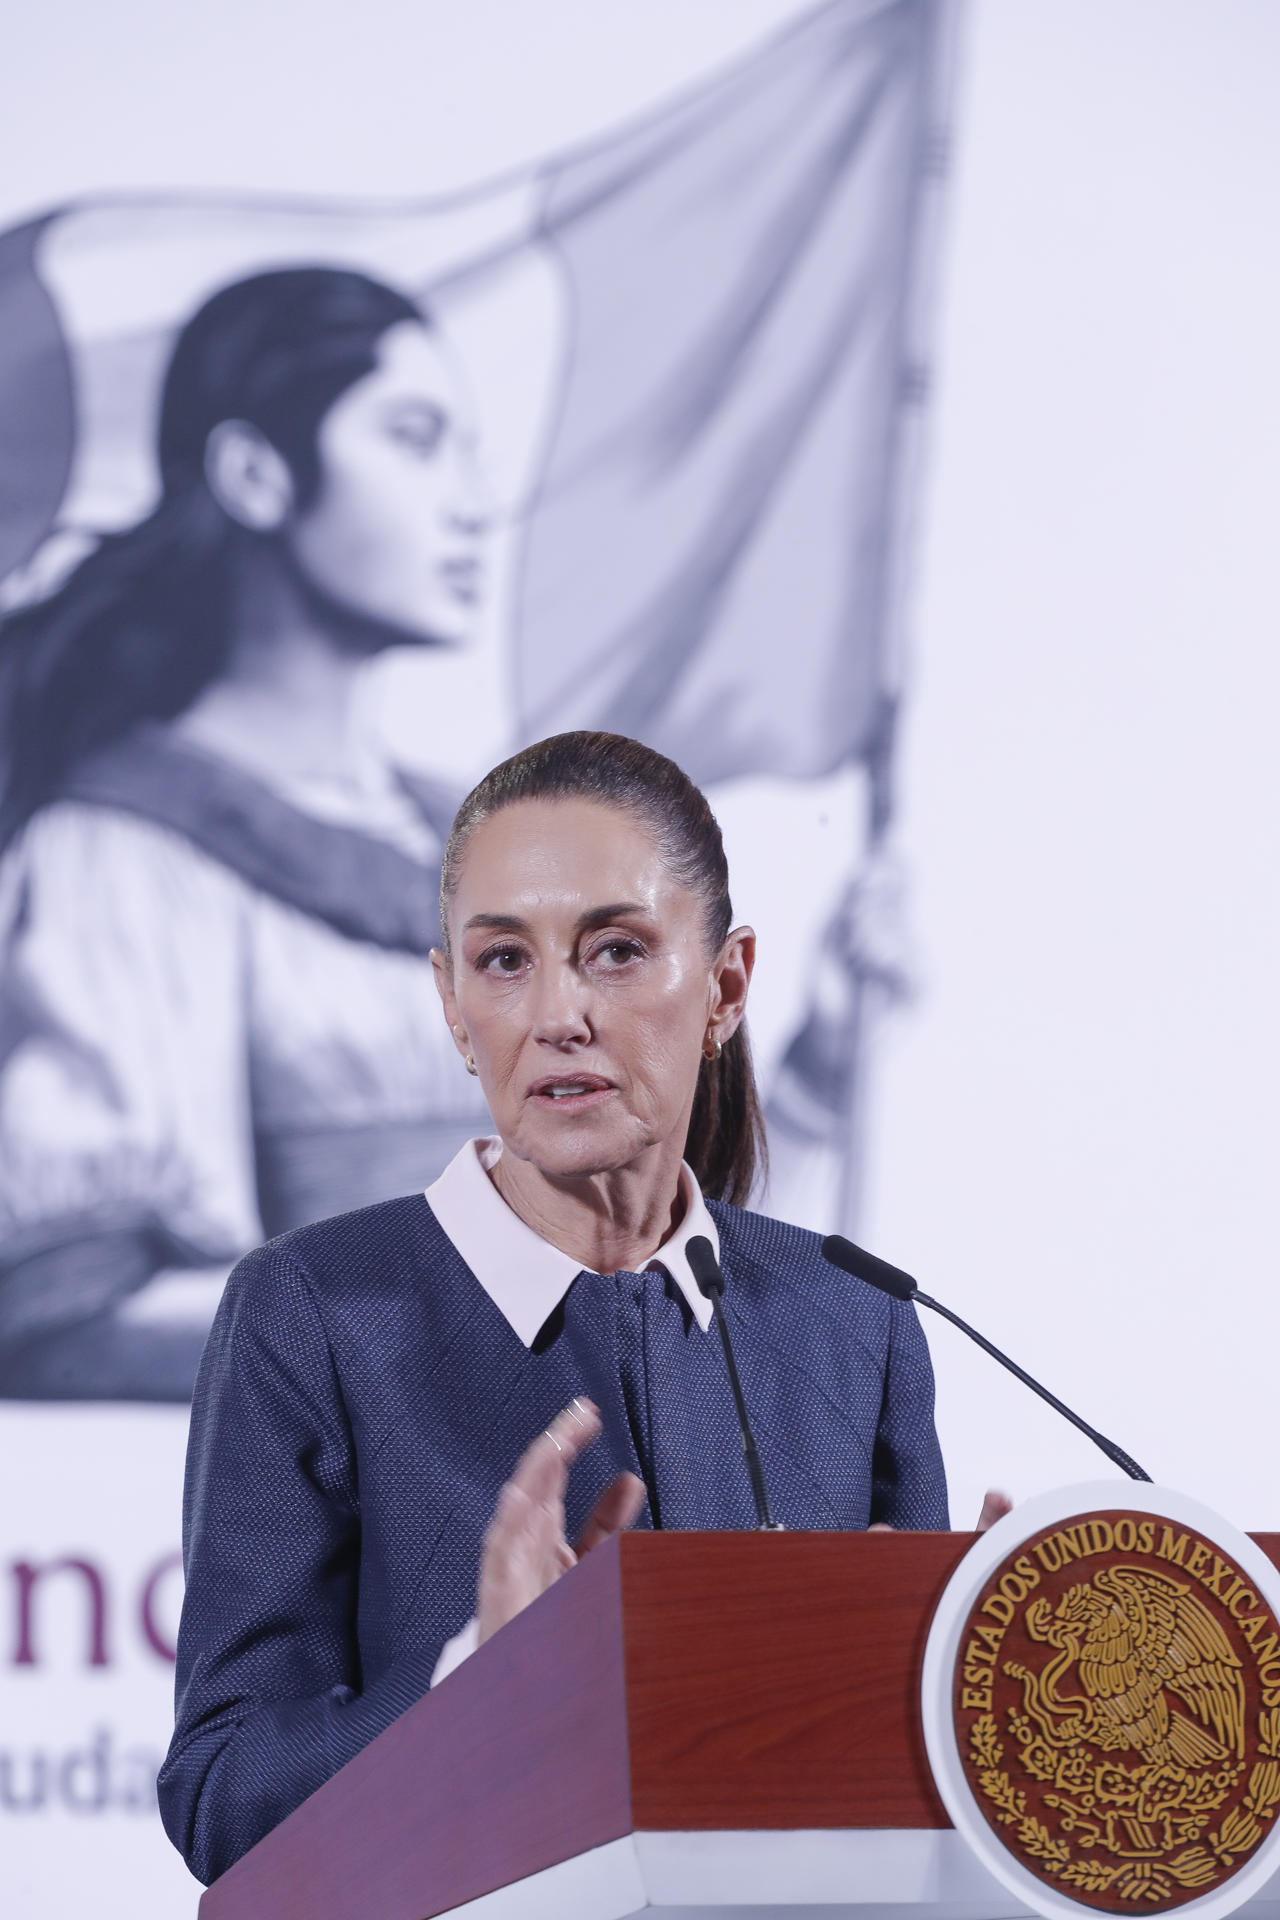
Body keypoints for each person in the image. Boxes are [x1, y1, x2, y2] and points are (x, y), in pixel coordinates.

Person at [157, 730, 1006, 1886]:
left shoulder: (849, 1317)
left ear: (725, 986)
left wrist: (979, 1682)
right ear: (452, 1006)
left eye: (614, 950)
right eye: (503, 961)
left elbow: (908, 1824)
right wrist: (482, 1676)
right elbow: (223, 1799)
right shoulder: (314, 1310)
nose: (558, 1013)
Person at [0, 265, 492, 1400]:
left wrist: (809, 1062)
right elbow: (84, 1310)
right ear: (255, 474)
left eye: (467, 449)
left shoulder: (486, 836)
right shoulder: (123, 853)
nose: (469, 501)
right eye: (415, 440)